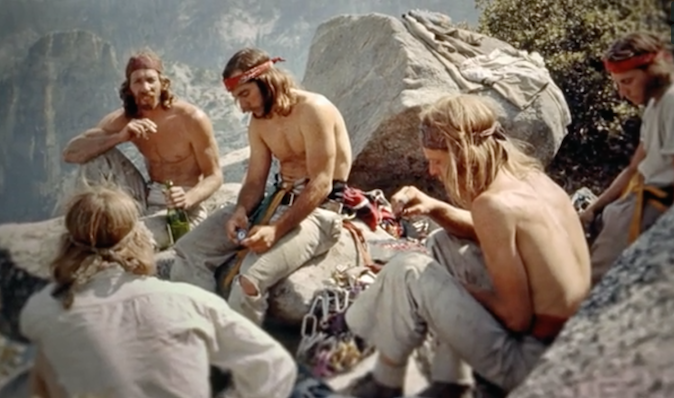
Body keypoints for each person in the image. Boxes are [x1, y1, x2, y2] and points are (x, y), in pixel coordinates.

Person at [342, 94, 591, 398]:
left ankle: (384, 381)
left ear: (464, 155)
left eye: (437, 162)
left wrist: (455, 289)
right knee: (444, 242)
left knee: (408, 269)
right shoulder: (535, 181)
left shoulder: (493, 206)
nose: (433, 172)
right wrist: (434, 207)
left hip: (531, 364)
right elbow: (499, 236)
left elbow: (517, 317)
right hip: (573, 347)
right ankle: (451, 381)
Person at [19, 184, 297, 398]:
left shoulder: (44, 309)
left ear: (69, 244)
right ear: (139, 237)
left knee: (47, 359)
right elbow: (275, 366)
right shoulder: (190, 301)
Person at [169, 47, 353, 326]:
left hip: (319, 213)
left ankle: (242, 359)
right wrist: (241, 211)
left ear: (266, 80)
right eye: (237, 98)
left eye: (245, 94)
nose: (242, 106)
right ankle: (207, 333)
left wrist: (276, 230)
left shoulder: (314, 110)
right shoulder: (259, 124)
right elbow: (255, 181)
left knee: (249, 281)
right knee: (189, 252)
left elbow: (322, 183)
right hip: (274, 202)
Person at [61, 49, 223, 248]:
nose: (145, 87)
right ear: (129, 88)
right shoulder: (125, 119)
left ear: (162, 84)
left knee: (130, 243)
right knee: (97, 156)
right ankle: (89, 223)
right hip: (145, 198)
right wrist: (119, 137)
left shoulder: (191, 119)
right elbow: (72, 153)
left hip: (183, 209)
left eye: (150, 80)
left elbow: (215, 175)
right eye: (137, 81)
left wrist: (188, 198)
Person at [579, 31, 674, 284]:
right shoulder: (654, 105)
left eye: (628, 81)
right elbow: (635, 168)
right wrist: (594, 209)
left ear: (653, 71)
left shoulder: (671, 102)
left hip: (658, 202)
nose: (622, 93)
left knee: (593, 279)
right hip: (642, 195)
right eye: (618, 83)